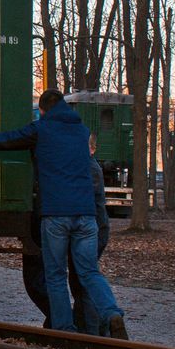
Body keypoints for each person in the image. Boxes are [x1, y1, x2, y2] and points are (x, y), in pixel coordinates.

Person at [0, 89, 127, 338]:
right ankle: (112, 313)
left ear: (42, 110)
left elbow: (3, 140)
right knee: (89, 272)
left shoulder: (40, 130)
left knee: (55, 274)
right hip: (86, 217)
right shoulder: (82, 132)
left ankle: (63, 331)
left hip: (56, 216)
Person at [68, 133, 111, 334]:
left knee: (84, 280)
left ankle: (95, 329)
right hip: (91, 229)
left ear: (92, 149)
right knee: (79, 280)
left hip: (94, 230)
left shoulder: (91, 169)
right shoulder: (87, 167)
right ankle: (86, 325)